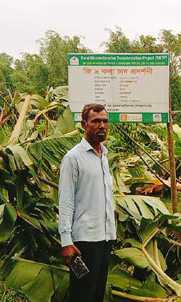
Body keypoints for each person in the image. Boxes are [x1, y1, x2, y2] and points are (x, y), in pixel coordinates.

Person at [58, 103, 116, 302]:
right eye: (96, 121)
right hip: (83, 243)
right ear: (84, 124)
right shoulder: (73, 158)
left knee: (97, 294)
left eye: (105, 121)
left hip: (105, 237)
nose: (102, 125)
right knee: (82, 295)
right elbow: (65, 201)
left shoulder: (104, 156)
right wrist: (66, 241)